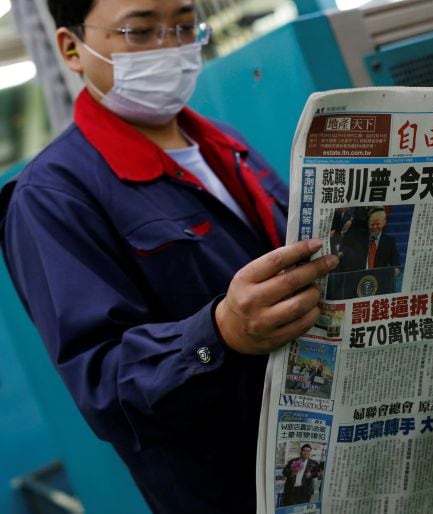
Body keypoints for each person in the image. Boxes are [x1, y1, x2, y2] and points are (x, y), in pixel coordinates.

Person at [0, 1, 338, 513]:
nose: (170, 47)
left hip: (332, 452)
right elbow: (104, 386)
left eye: (183, 26)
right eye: (140, 30)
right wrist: (219, 333)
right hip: (231, 489)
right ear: (71, 48)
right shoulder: (52, 197)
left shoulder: (228, 147)